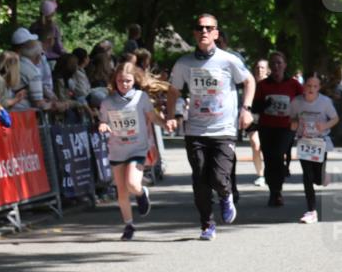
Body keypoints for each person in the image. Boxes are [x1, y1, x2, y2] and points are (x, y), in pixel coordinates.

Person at [166, 13, 255, 241]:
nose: (204, 31)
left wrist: (246, 109)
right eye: (200, 28)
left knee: (217, 177)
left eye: (209, 28)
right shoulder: (184, 63)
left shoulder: (228, 60)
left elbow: (249, 81)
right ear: (194, 33)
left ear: (216, 32)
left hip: (223, 129)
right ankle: (207, 224)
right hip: (195, 129)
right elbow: (174, 91)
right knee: (200, 179)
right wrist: (172, 115)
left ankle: (226, 195)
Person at [98, 62, 165, 240]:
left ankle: (142, 193)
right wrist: (103, 125)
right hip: (117, 150)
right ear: (115, 81)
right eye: (120, 81)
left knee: (132, 184)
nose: (124, 84)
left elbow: (152, 117)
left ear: (134, 80)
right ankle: (129, 225)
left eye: (127, 81)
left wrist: (167, 123)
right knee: (121, 192)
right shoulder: (107, 102)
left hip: (137, 148)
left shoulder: (141, 98)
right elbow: (103, 121)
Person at [253, 51, 301, 206]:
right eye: (273, 63)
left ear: (285, 65)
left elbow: (304, 102)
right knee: (269, 159)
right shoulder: (262, 85)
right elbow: (255, 107)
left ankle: (278, 190)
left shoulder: (294, 85)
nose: (276, 66)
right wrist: (265, 105)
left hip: (286, 127)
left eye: (279, 63)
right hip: (267, 127)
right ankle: (273, 191)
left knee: (277, 155)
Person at [289, 74, 338, 224]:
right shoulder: (297, 102)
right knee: (307, 176)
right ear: (304, 87)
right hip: (304, 142)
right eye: (308, 86)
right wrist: (294, 125)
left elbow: (335, 118)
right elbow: (292, 118)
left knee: (318, 179)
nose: (311, 89)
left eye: (314, 86)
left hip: (320, 142)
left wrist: (324, 126)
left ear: (319, 88)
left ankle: (323, 176)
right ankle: (311, 211)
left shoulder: (325, 102)